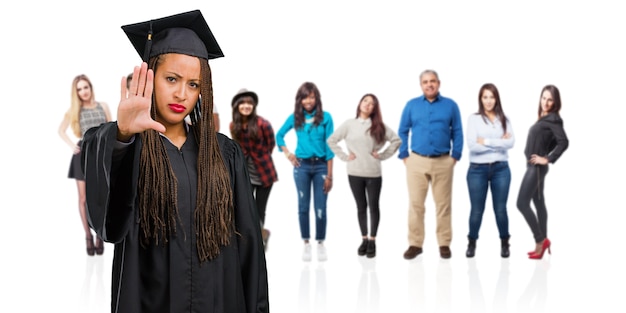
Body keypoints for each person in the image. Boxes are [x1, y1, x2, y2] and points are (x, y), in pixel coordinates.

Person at [81, 10, 269, 312]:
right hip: (149, 302)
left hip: (219, 300)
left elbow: (249, 248)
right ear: (151, 77)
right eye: (171, 79)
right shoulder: (129, 146)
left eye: (193, 84)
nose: (182, 93)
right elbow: (108, 225)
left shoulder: (224, 153)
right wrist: (123, 134)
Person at [398, 69, 463, 260]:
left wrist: (455, 157)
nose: (429, 84)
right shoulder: (411, 105)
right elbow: (402, 131)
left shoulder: (451, 106)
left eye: (432, 81)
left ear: (439, 83)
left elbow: (457, 132)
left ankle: (444, 243)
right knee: (416, 205)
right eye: (425, 82)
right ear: (421, 85)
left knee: (443, 205)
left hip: (443, 161)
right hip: (416, 161)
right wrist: (404, 156)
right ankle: (415, 244)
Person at [327, 93, 401, 258]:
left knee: (373, 206)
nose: (368, 105)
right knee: (361, 207)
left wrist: (381, 155)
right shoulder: (349, 124)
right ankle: (364, 239)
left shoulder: (378, 125)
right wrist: (345, 157)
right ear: (360, 103)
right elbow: (331, 140)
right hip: (354, 172)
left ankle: (373, 240)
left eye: (372, 104)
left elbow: (396, 140)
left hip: (373, 173)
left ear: (375, 109)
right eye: (365, 101)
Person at [276, 82, 334, 262]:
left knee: (320, 207)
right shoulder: (295, 117)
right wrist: (288, 154)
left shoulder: (326, 117)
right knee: (303, 206)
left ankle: (320, 243)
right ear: (299, 100)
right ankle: (306, 243)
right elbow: (279, 135)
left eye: (311, 96)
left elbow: (330, 146)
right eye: (304, 97)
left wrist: (330, 176)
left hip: (321, 167)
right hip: (301, 167)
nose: (308, 101)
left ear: (316, 98)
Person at [58, 74, 112, 256]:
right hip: (82, 155)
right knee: (83, 198)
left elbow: (112, 128)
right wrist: (72, 145)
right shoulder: (74, 110)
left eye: (85, 87)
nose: (83, 92)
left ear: (90, 87)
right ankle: (88, 236)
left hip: (100, 154)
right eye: (79, 89)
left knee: (101, 197)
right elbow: (61, 130)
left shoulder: (102, 106)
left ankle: (99, 234)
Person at [517, 84, 568, 260]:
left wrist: (547, 158)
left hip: (537, 168)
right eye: (544, 98)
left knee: (521, 203)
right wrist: (546, 152)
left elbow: (563, 142)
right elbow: (552, 140)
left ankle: (540, 241)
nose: (546, 102)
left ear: (555, 102)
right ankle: (543, 243)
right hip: (534, 167)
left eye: (550, 99)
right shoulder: (544, 118)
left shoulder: (553, 119)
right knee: (538, 202)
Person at [464, 83, 515, 258]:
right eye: (485, 97)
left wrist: (485, 142)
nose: (488, 101)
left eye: (491, 97)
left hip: (501, 169)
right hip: (477, 170)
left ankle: (505, 242)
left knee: (500, 209)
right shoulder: (474, 119)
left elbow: (511, 143)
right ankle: (471, 242)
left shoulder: (504, 119)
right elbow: (471, 145)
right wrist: (498, 142)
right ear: (480, 99)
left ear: (496, 99)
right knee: (477, 210)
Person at [230, 88, 278, 250]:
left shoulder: (262, 124)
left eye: (249, 103)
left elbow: (271, 144)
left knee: (259, 209)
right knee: (245, 208)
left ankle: (259, 238)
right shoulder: (233, 125)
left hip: (264, 173)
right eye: (242, 103)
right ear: (237, 106)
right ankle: (256, 235)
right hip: (245, 173)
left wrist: (260, 158)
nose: (246, 106)